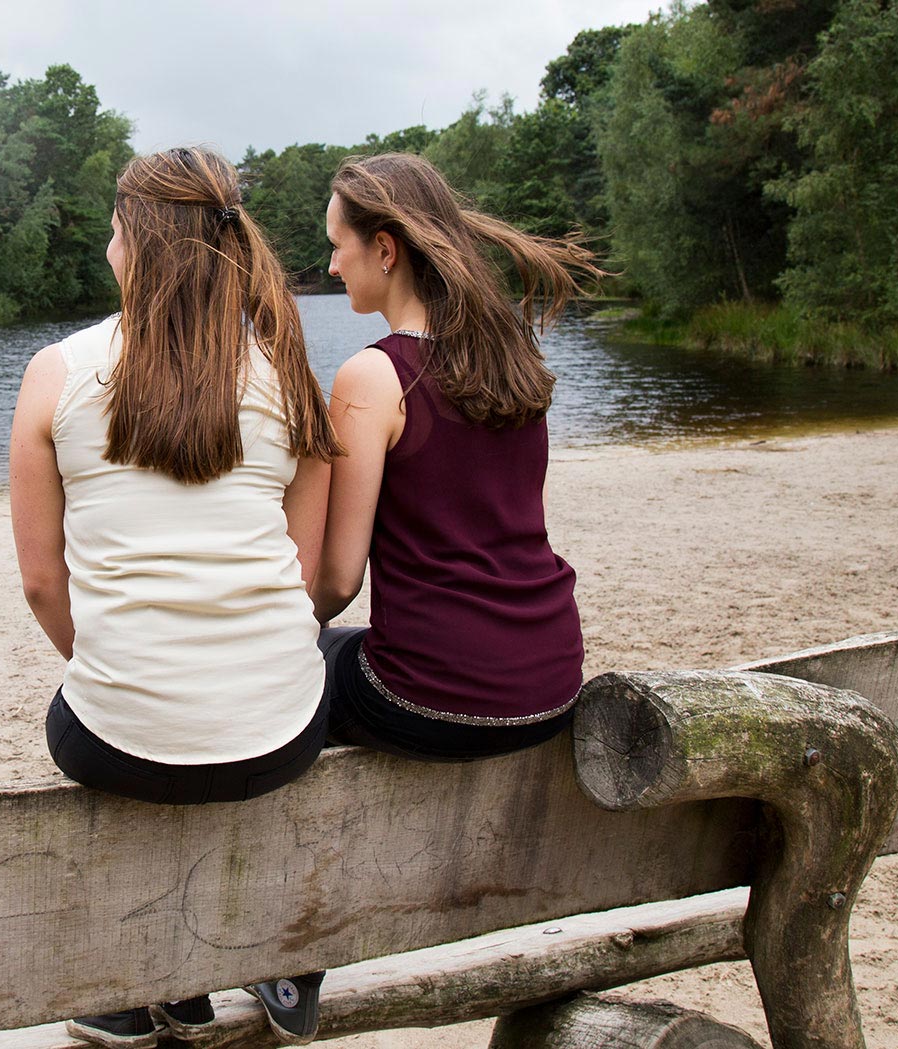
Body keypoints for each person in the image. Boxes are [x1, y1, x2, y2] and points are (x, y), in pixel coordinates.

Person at [241, 153, 606, 1045]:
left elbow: (335, 577)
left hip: (441, 690)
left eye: (339, 247)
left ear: (388, 248)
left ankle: (291, 956)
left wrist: (275, 637)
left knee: (285, 684)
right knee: (333, 659)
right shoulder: (512, 351)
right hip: (552, 676)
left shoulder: (374, 376)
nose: (331, 267)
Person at [9, 146, 342, 1049]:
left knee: (112, 737)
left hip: (114, 743)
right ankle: (218, 971)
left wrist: (116, 663)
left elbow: (42, 582)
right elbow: (307, 585)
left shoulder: (57, 372)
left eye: (114, 231)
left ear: (138, 244)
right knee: (249, 719)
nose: (107, 247)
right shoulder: (291, 379)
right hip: (281, 738)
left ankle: (142, 990)